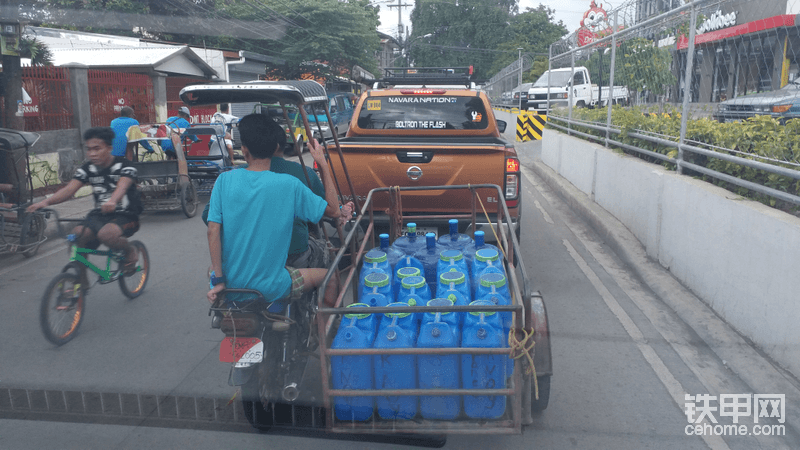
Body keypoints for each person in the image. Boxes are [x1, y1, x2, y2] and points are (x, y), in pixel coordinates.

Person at [206, 114, 347, 307]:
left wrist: (219, 281)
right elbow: (335, 211)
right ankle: (321, 332)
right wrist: (322, 163)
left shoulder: (224, 180)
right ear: (275, 149)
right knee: (331, 277)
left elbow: (212, 230)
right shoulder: (289, 185)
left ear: (244, 150)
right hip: (272, 286)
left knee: (212, 269)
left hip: (230, 284)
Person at [27, 127, 142, 273]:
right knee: (77, 236)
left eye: (97, 148)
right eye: (89, 149)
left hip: (127, 215)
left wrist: (113, 201)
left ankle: (130, 250)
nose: (92, 154)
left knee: (106, 234)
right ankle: (79, 284)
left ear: (109, 148)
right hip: (100, 215)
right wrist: (45, 202)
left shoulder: (126, 166)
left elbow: (122, 186)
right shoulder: (87, 169)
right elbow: (69, 190)